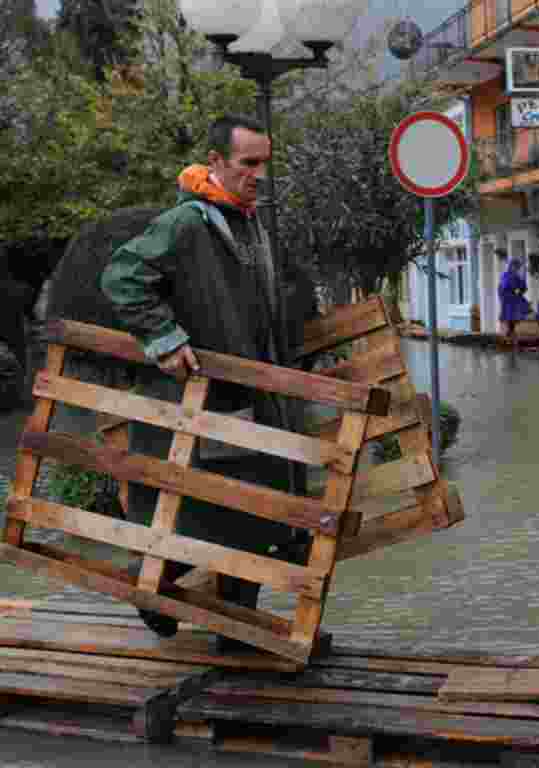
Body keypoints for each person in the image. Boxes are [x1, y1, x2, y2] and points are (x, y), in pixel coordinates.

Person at [101, 115, 317, 650]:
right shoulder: (188, 223)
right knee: (206, 519)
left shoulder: (247, 222)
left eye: (265, 163)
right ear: (216, 162)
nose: (260, 174)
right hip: (204, 401)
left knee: (251, 519)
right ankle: (152, 590)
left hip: (252, 398)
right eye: (249, 163)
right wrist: (165, 338)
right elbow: (122, 276)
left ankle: (235, 637)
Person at [498, 256, 530, 343]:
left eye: (517, 267)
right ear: (511, 266)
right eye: (515, 266)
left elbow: (523, 287)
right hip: (507, 298)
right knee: (509, 314)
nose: (516, 268)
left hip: (513, 298)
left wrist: (520, 290)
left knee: (519, 310)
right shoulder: (506, 275)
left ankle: (511, 331)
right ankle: (510, 331)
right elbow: (504, 286)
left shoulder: (516, 275)